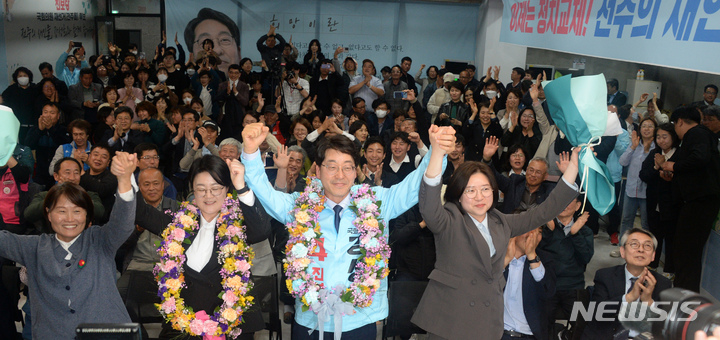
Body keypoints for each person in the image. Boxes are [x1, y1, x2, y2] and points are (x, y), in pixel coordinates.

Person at [240, 122, 453, 339]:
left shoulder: (377, 203)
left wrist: (437, 152)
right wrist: (249, 151)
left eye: (347, 166)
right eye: (331, 166)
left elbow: (416, 185)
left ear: (355, 171)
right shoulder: (299, 206)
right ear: (318, 169)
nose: (340, 175)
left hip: (359, 319)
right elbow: (263, 192)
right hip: (310, 320)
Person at [412, 132, 581, 339]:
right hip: (451, 318)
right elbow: (429, 207)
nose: (479, 197)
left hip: (488, 318)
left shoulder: (501, 221)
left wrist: (572, 169)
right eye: (470, 191)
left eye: (485, 189)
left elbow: (543, 212)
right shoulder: (449, 220)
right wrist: (437, 154)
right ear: (458, 193)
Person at [0, 151, 136, 339]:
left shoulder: (100, 240)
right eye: (61, 211)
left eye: (77, 211)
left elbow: (123, 223)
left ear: (87, 215)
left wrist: (124, 180)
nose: (70, 219)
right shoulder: (34, 247)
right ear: (48, 214)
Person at [133, 155, 269, 339]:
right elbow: (140, 213)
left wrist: (242, 187)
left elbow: (261, 231)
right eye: (201, 189)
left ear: (227, 189)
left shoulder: (238, 223)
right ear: (192, 191)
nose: (208, 196)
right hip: (182, 327)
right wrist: (125, 179)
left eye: (216, 189)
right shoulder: (177, 223)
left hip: (232, 328)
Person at [661, 106, 720, 292]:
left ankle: (685, 296)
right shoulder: (699, 135)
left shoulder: (696, 133)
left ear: (679, 121)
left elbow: (699, 158)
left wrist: (675, 166)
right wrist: (674, 174)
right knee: (685, 250)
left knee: (687, 252)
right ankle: (684, 291)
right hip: (697, 202)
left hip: (700, 202)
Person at [582, 228, 673, 340]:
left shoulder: (663, 283)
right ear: (622, 252)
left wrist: (648, 302)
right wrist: (628, 297)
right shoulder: (606, 276)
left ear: (653, 256)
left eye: (647, 246)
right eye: (634, 244)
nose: (641, 250)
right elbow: (596, 313)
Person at [540, 197, 594, 339]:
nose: (564, 204)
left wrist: (575, 233)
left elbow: (585, 258)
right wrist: (548, 231)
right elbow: (534, 254)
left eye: (569, 200)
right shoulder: (545, 228)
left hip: (574, 285)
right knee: (541, 325)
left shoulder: (585, 231)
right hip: (548, 285)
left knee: (582, 327)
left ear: (577, 206)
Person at [639, 123, 679, 276]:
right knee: (654, 236)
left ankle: (669, 269)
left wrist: (666, 166)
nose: (661, 140)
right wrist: (656, 167)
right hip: (654, 203)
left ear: (673, 138)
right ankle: (652, 265)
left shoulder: (680, 155)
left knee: (671, 238)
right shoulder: (655, 153)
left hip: (671, 204)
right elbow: (643, 175)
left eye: (665, 137)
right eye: (658, 137)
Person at [502, 228, 556, 340]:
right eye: (529, 229)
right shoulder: (494, 258)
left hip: (529, 335)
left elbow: (549, 293)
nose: (533, 235)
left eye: (539, 232)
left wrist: (532, 256)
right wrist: (506, 259)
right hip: (497, 333)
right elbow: (481, 289)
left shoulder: (545, 260)